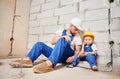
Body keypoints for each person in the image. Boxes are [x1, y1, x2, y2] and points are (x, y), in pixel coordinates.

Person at [9, 17, 84, 74]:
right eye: (76, 28)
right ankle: (28, 60)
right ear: (71, 25)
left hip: (66, 57)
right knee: (39, 44)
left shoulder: (77, 37)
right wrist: (62, 37)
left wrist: (73, 57)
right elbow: (53, 42)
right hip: (56, 53)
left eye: (78, 29)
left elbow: (78, 51)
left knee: (62, 40)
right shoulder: (61, 31)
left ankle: (50, 63)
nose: (77, 31)